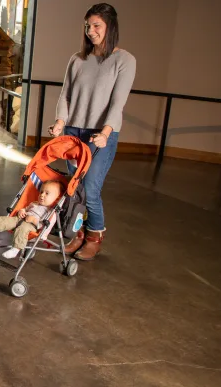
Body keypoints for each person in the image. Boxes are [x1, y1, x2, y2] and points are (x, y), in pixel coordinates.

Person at [48, 3, 136, 261]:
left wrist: (106, 132)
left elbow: (117, 102)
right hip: (74, 131)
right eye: (88, 26)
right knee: (75, 188)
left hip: (101, 135)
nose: (90, 31)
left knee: (90, 188)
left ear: (110, 27)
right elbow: (65, 94)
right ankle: (79, 232)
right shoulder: (78, 59)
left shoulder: (124, 60)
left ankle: (95, 235)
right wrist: (60, 122)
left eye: (96, 25)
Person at [0, 180, 64, 259]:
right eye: (41, 192)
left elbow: (45, 226)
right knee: (3, 220)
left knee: (23, 228)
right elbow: (25, 209)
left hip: (31, 226)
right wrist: (22, 211)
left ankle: (15, 249)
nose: (42, 195)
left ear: (56, 198)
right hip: (19, 219)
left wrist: (33, 220)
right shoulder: (34, 203)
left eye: (47, 193)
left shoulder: (50, 212)